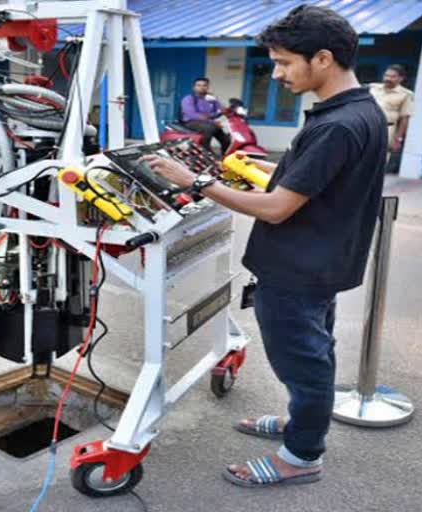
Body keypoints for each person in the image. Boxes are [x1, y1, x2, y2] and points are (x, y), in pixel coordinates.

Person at [142, 5, 387, 488]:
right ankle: (301, 428)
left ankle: (301, 457)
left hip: (298, 270)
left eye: (283, 63)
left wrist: (196, 181)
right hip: (324, 261)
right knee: (313, 354)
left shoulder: (336, 125)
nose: (275, 74)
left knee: (304, 364)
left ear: (322, 58)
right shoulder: (359, 110)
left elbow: (276, 209)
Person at [369, 64, 414, 174]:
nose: (388, 79)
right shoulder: (372, 88)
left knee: (378, 164)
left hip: (387, 130)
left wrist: (398, 139)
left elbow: (405, 118)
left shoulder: (406, 94)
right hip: (366, 126)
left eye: (393, 76)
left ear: (401, 79)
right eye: (386, 75)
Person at [180, 77, 231, 154]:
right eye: (199, 85)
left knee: (226, 140)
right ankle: (207, 153)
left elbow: (217, 112)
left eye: (204, 85)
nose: (202, 87)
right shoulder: (188, 99)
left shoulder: (211, 99)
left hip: (208, 123)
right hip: (191, 122)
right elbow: (192, 115)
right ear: (194, 87)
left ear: (207, 87)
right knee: (209, 128)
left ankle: (225, 157)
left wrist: (225, 110)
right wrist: (212, 121)